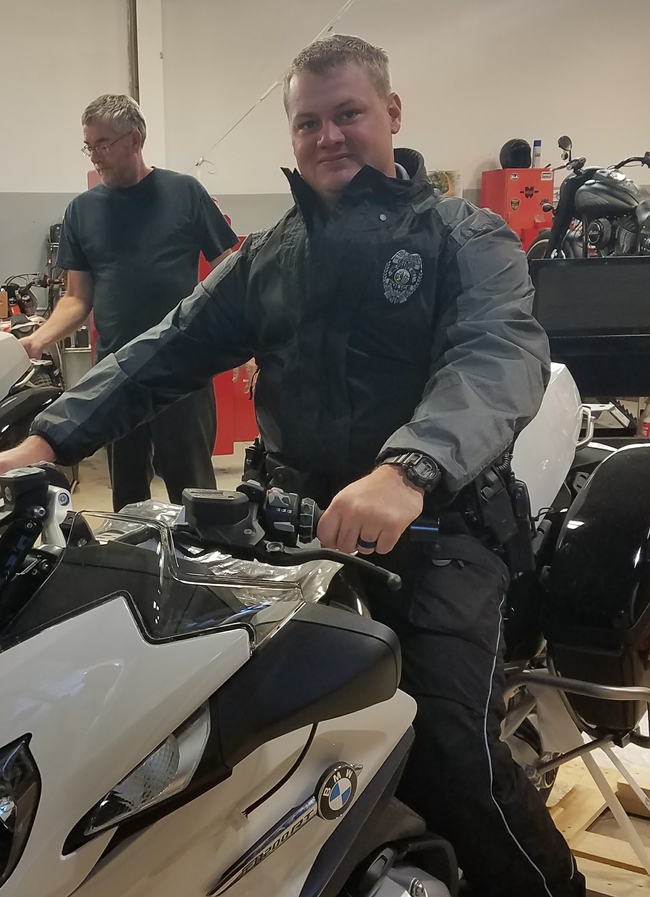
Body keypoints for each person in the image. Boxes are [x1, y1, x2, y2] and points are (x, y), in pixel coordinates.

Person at [0, 37, 585, 897]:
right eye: (308, 122)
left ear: (391, 112)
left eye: (348, 113)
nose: (327, 136)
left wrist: (409, 469)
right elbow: (166, 349)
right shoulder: (272, 255)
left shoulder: (466, 236)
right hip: (288, 529)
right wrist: (45, 442)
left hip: (439, 531)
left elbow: (496, 354)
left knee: (448, 743)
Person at [19, 94, 238, 511]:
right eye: (88, 146)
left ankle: (199, 553)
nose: (94, 156)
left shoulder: (185, 192)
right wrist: (38, 339)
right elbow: (77, 298)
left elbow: (230, 270)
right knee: (128, 499)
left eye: (102, 144)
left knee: (194, 494)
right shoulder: (81, 211)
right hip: (115, 376)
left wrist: (245, 339)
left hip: (182, 370)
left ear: (135, 139)